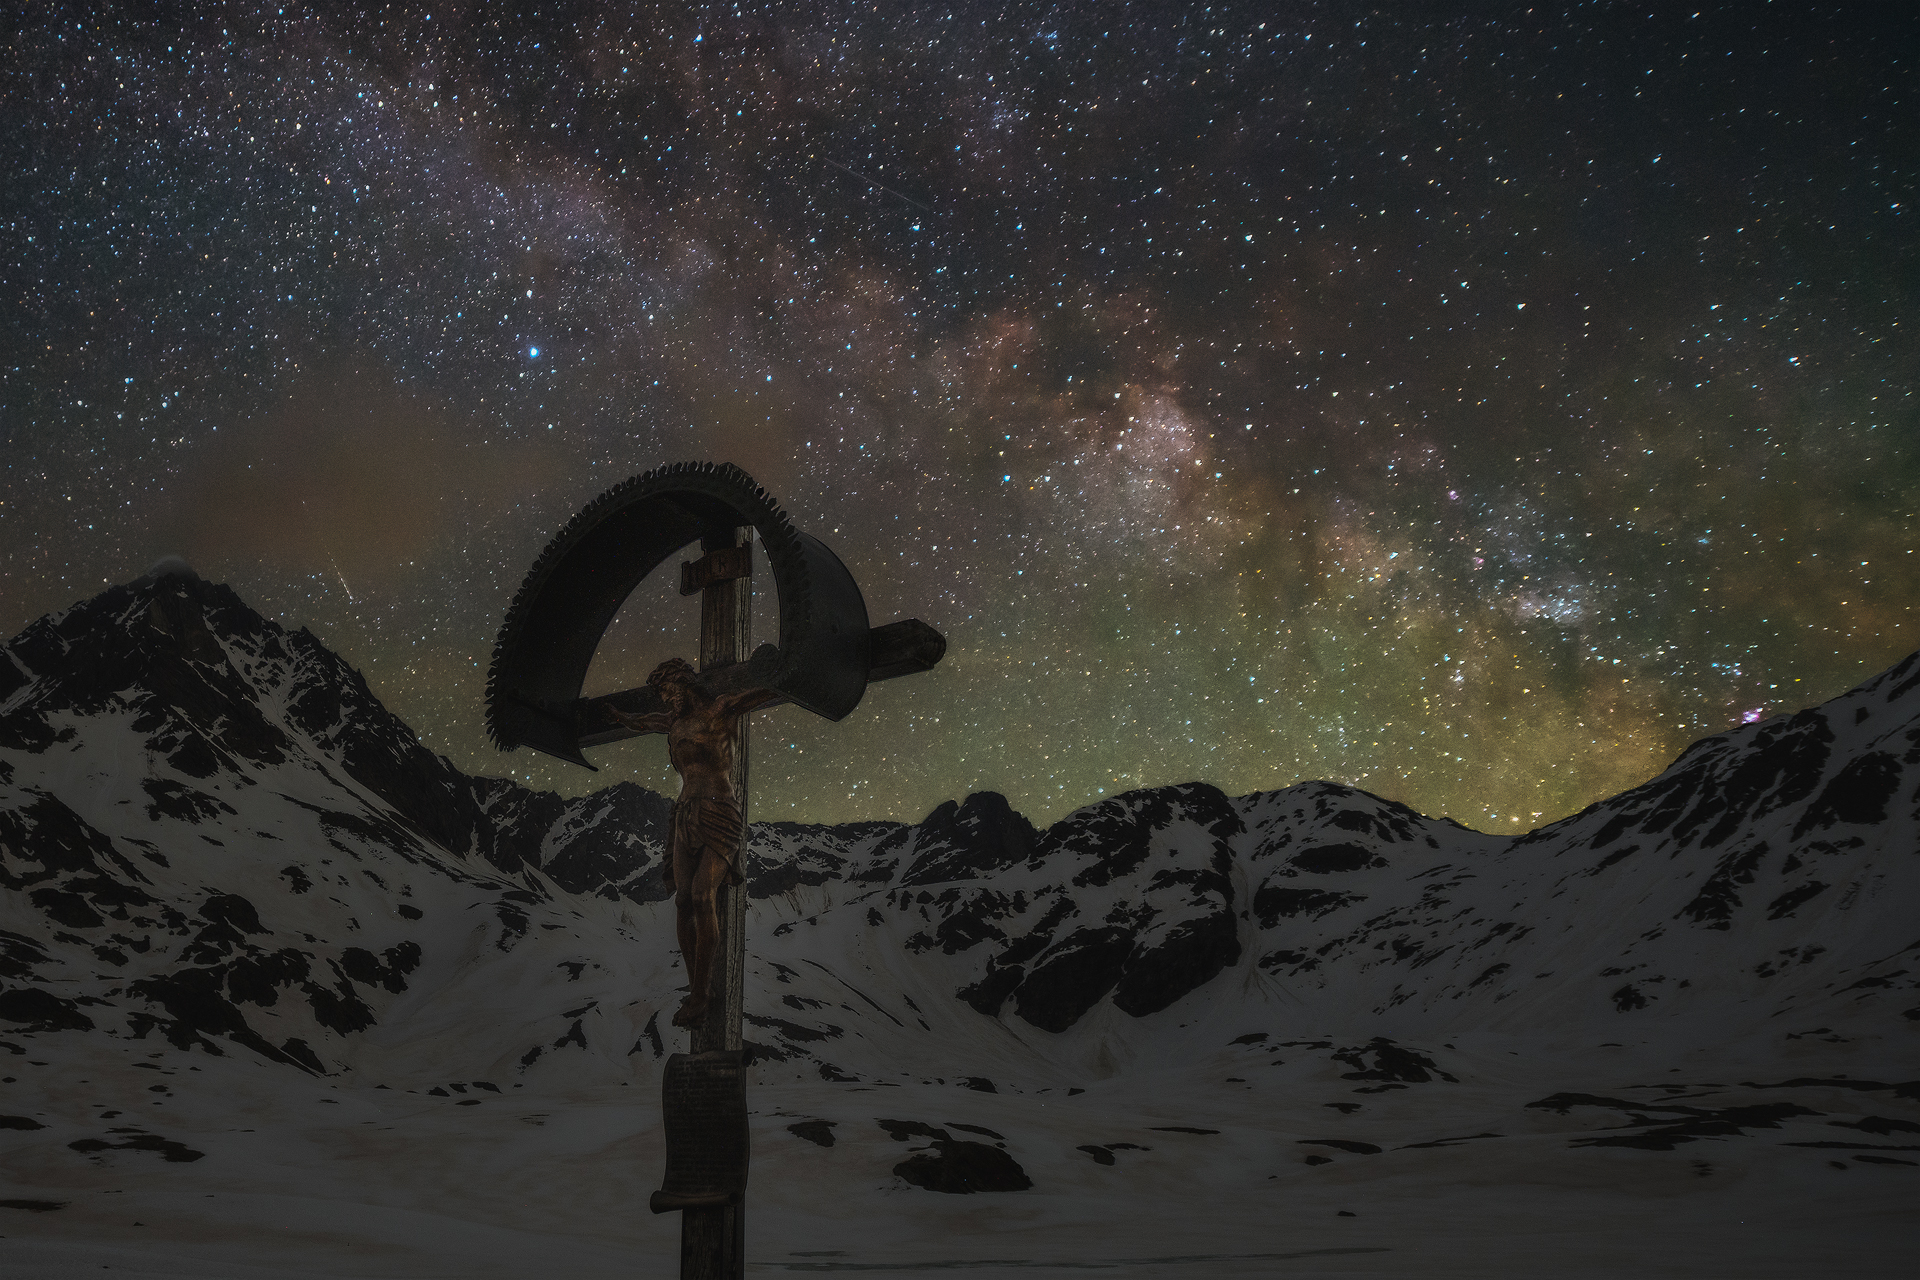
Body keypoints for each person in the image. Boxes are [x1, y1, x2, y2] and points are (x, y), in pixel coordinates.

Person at [609, 657, 779, 1028]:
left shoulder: (720, 709)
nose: (668, 702)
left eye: (670, 693)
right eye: (663, 697)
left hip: (720, 811)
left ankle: (703, 993)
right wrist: (616, 715)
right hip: (684, 815)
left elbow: (760, 693)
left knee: (704, 895)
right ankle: (695, 988)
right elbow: (640, 722)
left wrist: (781, 673)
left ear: (685, 684)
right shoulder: (672, 724)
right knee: (683, 901)